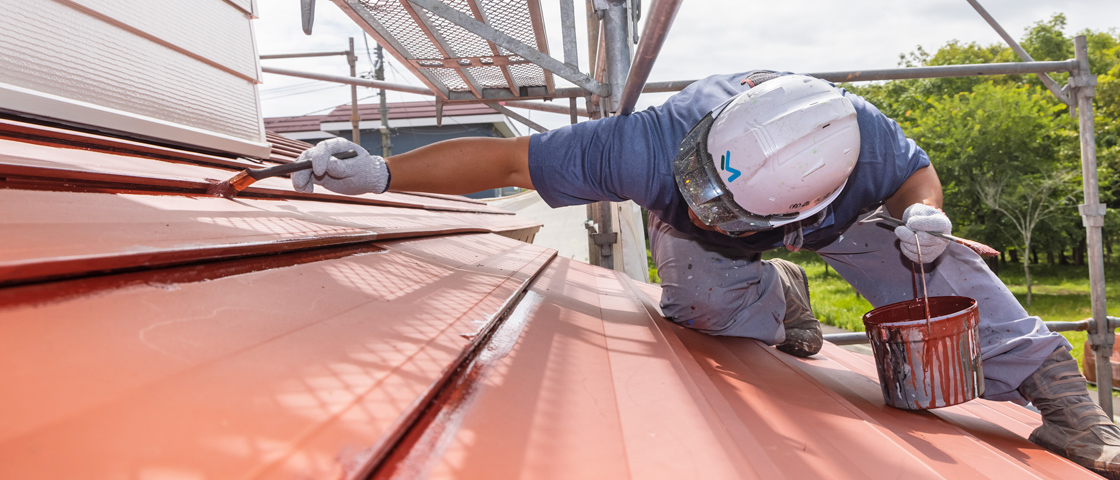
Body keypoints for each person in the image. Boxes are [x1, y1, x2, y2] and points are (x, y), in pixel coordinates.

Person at [291, 71, 1119, 476]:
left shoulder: (858, 143)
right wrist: (383, 174)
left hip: (850, 221)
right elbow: (508, 156)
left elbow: (915, 175)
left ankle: (1067, 407)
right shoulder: (645, 144)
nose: (717, 213)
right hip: (717, 245)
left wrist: (925, 216)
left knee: (935, 261)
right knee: (708, 312)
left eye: (740, 215)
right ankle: (774, 291)